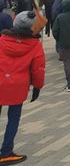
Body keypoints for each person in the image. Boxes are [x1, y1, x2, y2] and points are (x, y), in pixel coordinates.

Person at [0, 11, 45, 165]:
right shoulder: (34, 45)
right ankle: (5, 152)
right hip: (18, 85)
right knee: (13, 118)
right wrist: (37, 86)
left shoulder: (2, 40)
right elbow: (37, 69)